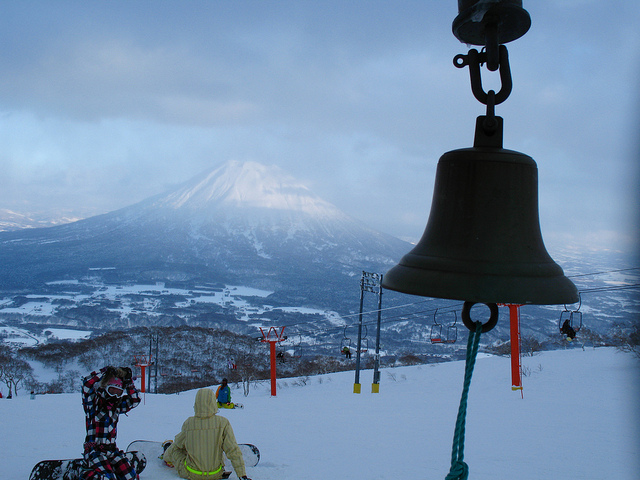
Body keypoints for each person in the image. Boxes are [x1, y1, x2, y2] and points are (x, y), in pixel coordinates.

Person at [162, 388, 252, 480]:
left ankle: (166, 457)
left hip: (191, 473)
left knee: (175, 449)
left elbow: (178, 444)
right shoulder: (223, 422)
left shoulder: (189, 423)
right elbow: (233, 450)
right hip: (216, 474)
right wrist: (242, 475)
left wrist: (168, 454)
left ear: (196, 403)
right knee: (219, 448)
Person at [82, 366, 143, 480]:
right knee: (108, 477)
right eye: (112, 390)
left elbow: (135, 400)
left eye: (118, 392)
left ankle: (112, 469)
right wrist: (104, 372)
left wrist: (128, 382)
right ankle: (87, 474)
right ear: (105, 387)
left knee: (131, 477)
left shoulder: (117, 406)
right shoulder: (93, 403)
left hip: (112, 451)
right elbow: (87, 384)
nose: (114, 395)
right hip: (95, 451)